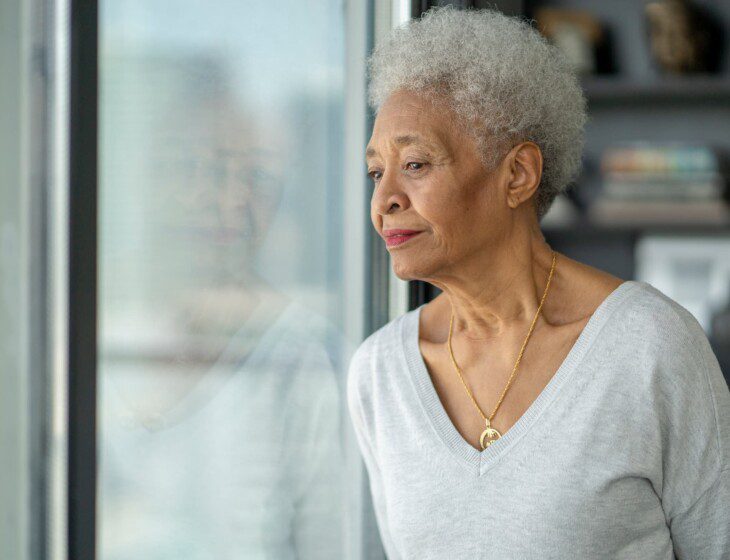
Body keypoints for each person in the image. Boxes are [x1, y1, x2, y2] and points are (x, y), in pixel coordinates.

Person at [347, 5, 730, 559]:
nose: (384, 202)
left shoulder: (651, 347)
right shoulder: (379, 375)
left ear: (518, 175)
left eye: (417, 164)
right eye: (376, 172)